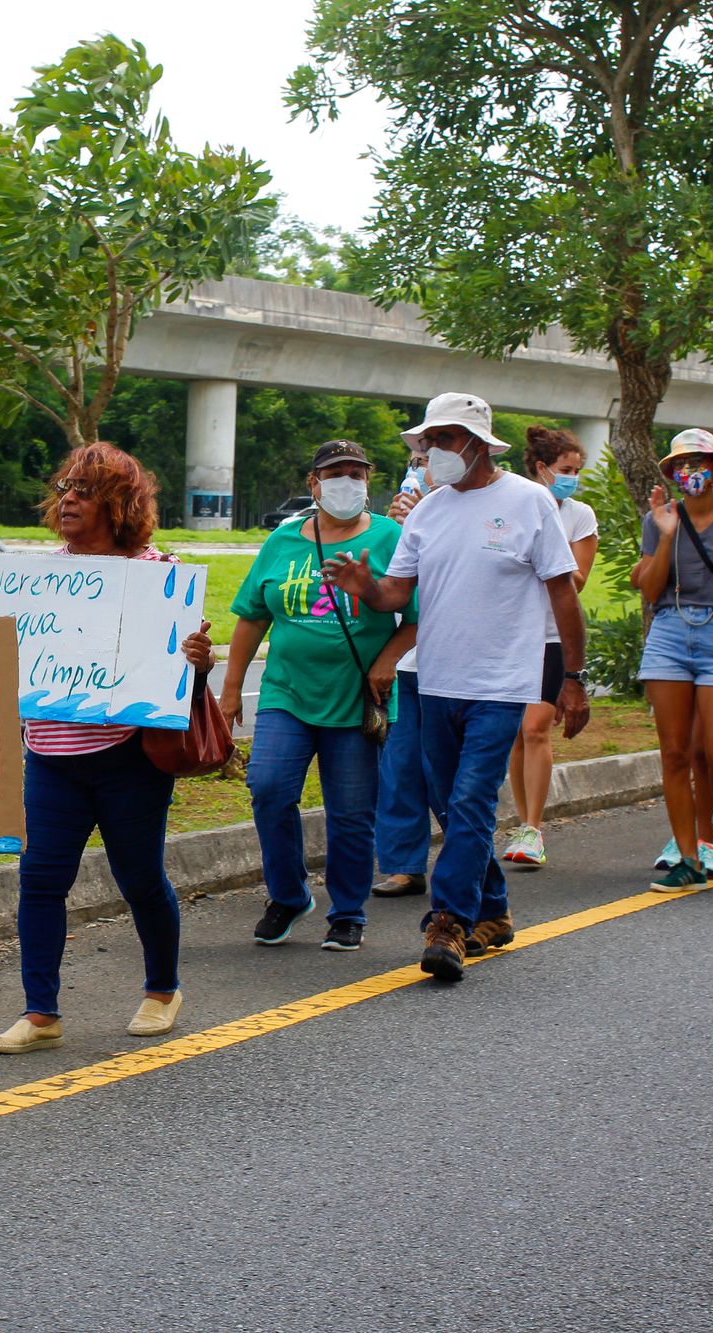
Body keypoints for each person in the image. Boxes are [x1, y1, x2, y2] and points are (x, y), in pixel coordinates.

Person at [328, 392, 589, 983]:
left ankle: (447, 921)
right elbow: (397, 595)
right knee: (451, 805)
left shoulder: (530, 501)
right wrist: (362, 586)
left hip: (502, 684)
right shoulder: (429, 510)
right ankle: (492, 910)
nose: (431, 452)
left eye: (443, 440)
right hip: (436, 681)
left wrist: (572, 678)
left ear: (476, 442)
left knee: (471, 801)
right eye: (427, 442)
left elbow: (562, 593)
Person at [0, 443, 213, 1053]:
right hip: (52, 757)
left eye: (84, 491)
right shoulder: (40, 575)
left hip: (129, 759)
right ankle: (41, 1014)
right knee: (39, 880)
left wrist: (196, 660)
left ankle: (162, 991)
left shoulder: (158, 573)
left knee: (139, 878)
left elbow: (178, 670)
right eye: (64, 489)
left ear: (120, 505)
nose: (68, 501)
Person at [219, 440, 416, 951]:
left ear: (369, 482)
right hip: (287, 691)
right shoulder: (284, 541)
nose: (346, 482)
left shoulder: (392, 537)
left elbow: (418, 615)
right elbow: (252, 616)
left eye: (356, 473)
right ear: (314, 483)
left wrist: (387, 660)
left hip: (355, 697)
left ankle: (347, 911)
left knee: (351, 811)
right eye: (334, 473)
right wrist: (231, 689)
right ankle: (287, 895)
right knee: (268, 789)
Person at [631, 429, 713, 890]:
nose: (691, 472)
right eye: (682, 465)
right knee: (674, 754)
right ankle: (687, 857)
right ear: (671, 474)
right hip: (670, 631)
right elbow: (650, 591)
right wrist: (666, 536)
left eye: (699, 462)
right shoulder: (660, 518)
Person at [500, 426, 598, 869]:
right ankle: (522, 822)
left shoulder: (579, 516)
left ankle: (535, 829)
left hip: (553, 637)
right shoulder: (512, 506)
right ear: (541, 468)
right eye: (564, 470)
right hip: (514, 632)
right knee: (519, 732)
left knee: (538, 726)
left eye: (576, 471)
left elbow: (575, 581)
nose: (571, 478)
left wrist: (548, 538)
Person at [373, 447, 442, 899]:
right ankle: (403, 864)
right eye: (415, 459)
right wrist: (401, 528)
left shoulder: (467, 509)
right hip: (402, 660)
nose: (420, 467)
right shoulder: (394, 523)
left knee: (445, 772)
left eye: (428, 456)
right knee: (397, 768)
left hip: (447, 662)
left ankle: (468, 862)